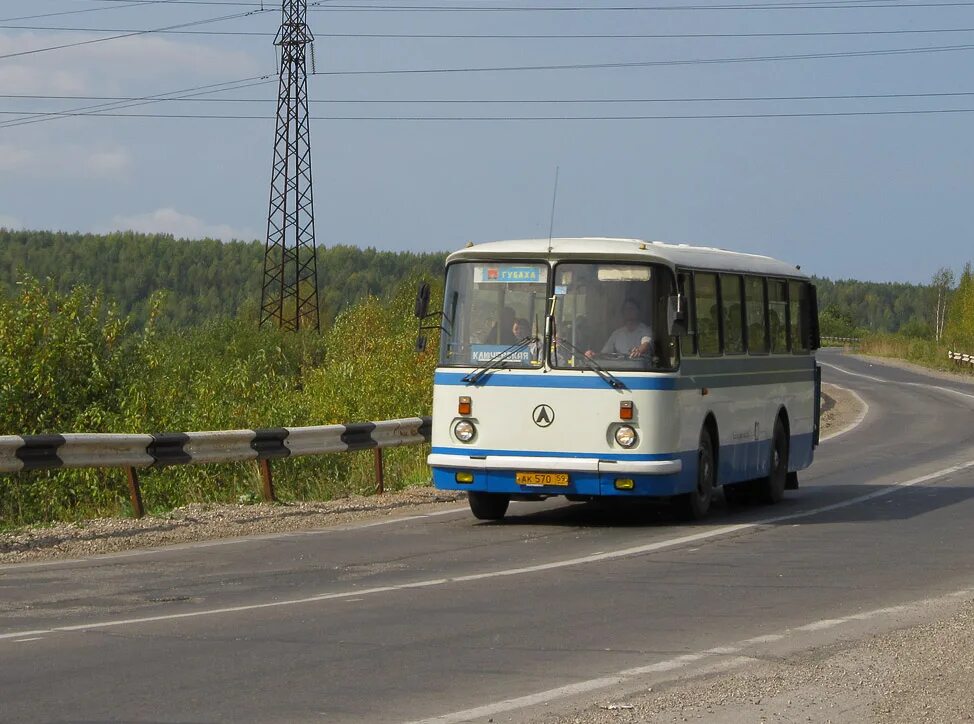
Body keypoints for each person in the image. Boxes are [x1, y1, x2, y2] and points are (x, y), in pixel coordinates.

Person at [586, 298, 653, 359]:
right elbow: (605, 353)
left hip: (640, 370)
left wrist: (639, 350)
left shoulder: (645, 330)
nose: (629, 311)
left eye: (632, 308)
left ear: (638, 311)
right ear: (623, 312)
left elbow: (646, 344)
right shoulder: (617, 334)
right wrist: (593, 355)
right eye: (626, 309)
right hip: (620, 370)